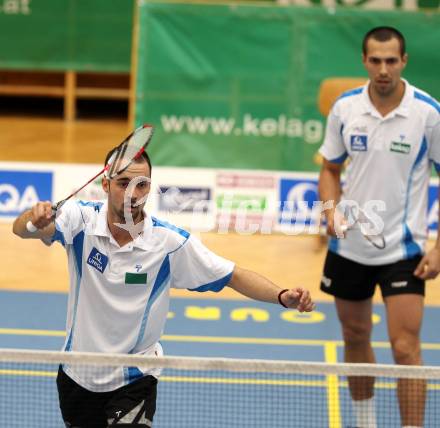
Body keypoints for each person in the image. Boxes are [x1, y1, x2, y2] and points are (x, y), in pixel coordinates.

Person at [12, 146, 315, 428]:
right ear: (105, 185)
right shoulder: (80, 221)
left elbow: (232, 274)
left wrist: (280, 296)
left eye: (142, 184)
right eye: (123, 183)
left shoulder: (168, 243)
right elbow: (22, 230)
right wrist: (34, 220)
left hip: (135, 378)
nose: (133, 193)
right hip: (77, 374)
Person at [318, 26, 440, 428]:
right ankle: (366, 423)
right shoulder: (345, 109)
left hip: (404, 250)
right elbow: (330, 168)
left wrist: (439, 246)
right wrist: (330, 209)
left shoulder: (427, 114)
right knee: (355, 337)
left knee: (406, 348)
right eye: (376, 60)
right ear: (365, 61)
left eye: (392, 60)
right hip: (349, 248)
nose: (384, 69)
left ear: (404, 61)